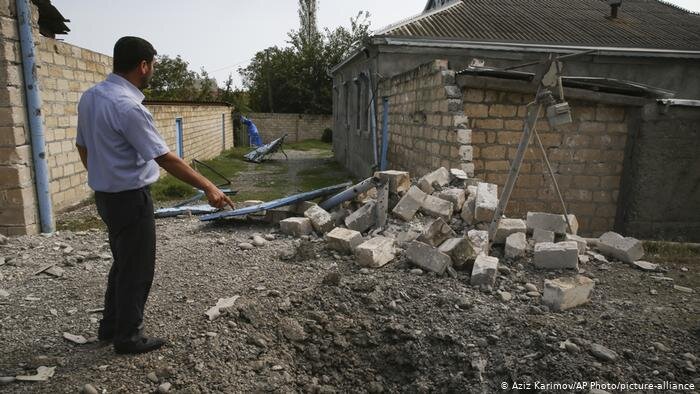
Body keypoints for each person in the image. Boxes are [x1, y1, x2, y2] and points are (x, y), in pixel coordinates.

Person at [75, 36, 234, 355]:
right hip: (130, 199)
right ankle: (128, 337)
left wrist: (101, 176)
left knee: (123, 263)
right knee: (137, 269)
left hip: (106, 197)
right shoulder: (128, 106)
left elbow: (82, 146)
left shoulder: (91, 97)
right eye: (153, 66)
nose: (153, 72)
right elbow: (164, 158)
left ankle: (110, 327)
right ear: (143, 65)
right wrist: (209, 187)